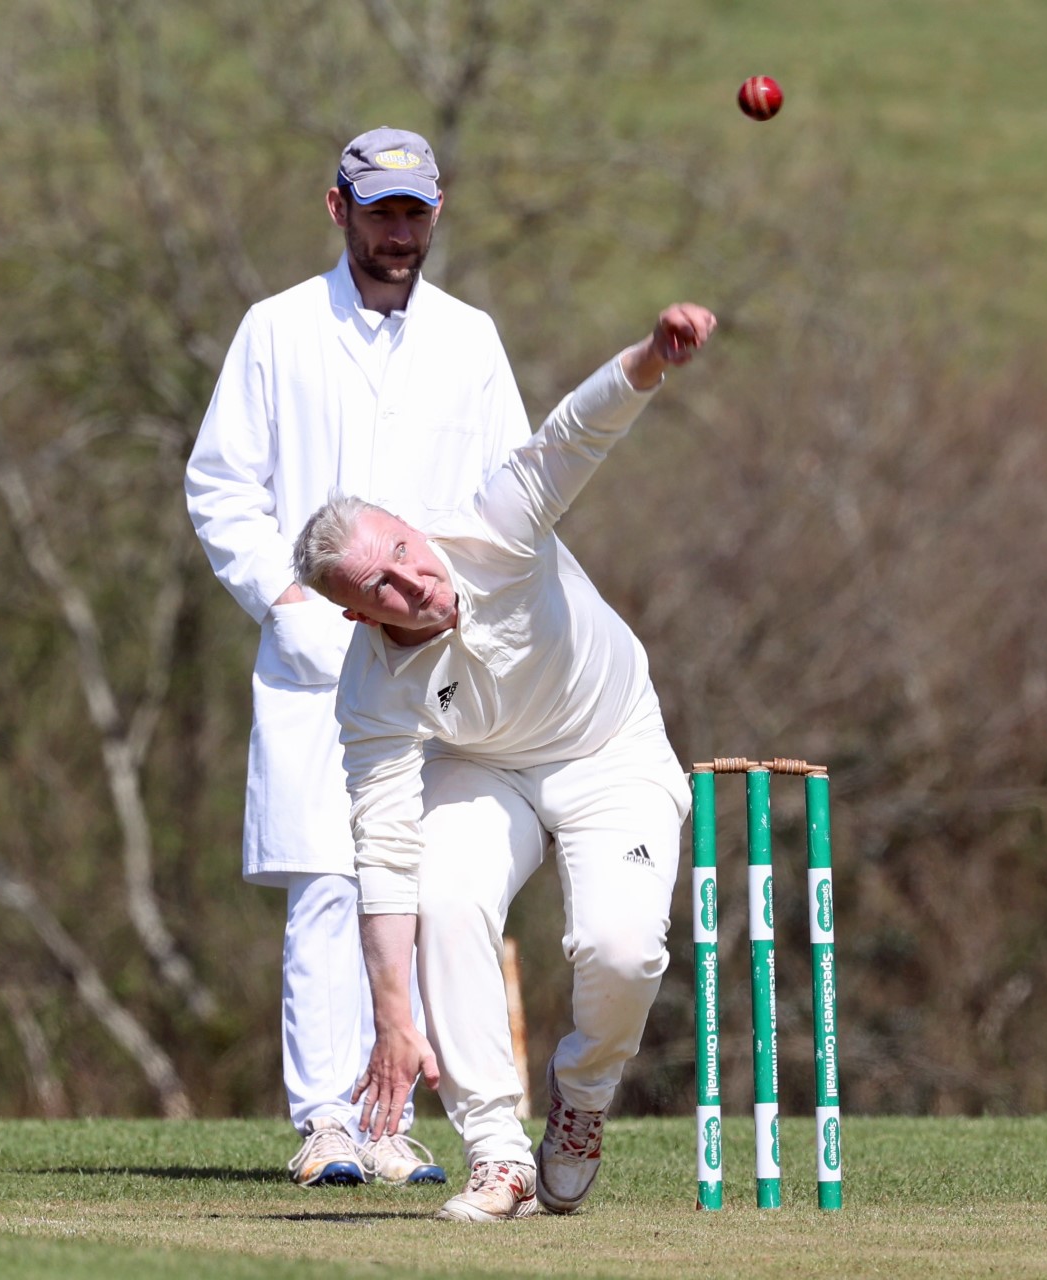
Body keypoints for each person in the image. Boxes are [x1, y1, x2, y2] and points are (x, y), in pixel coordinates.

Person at [290, 301, 718, 1220]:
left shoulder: (493, 529)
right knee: (445, 895)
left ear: (411, 525)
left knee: (623, 948)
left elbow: (572, 436)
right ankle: (498, 1154)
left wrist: (649, 356)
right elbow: (385, 858)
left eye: (404, 552)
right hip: (484, 768)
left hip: (611, 747)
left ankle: (583, 1100)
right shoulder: (371, 692)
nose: (416, 582)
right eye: (384, 587)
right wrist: (395, 1018)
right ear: (360, 617)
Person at [185, 126, 534, 1187]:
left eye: (412, 213)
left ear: (436, 213)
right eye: (378, 212)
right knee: (327, 884)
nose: (396, 232)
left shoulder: (469, 339)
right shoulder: (278, 329)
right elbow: (220, 484)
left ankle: (398, 1121)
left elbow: (511, 493)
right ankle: (329, 1118)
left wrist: (472, 610)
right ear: (337, 209)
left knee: (425, 882)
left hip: (435, 658)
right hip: (316, 653)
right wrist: (284, 595)